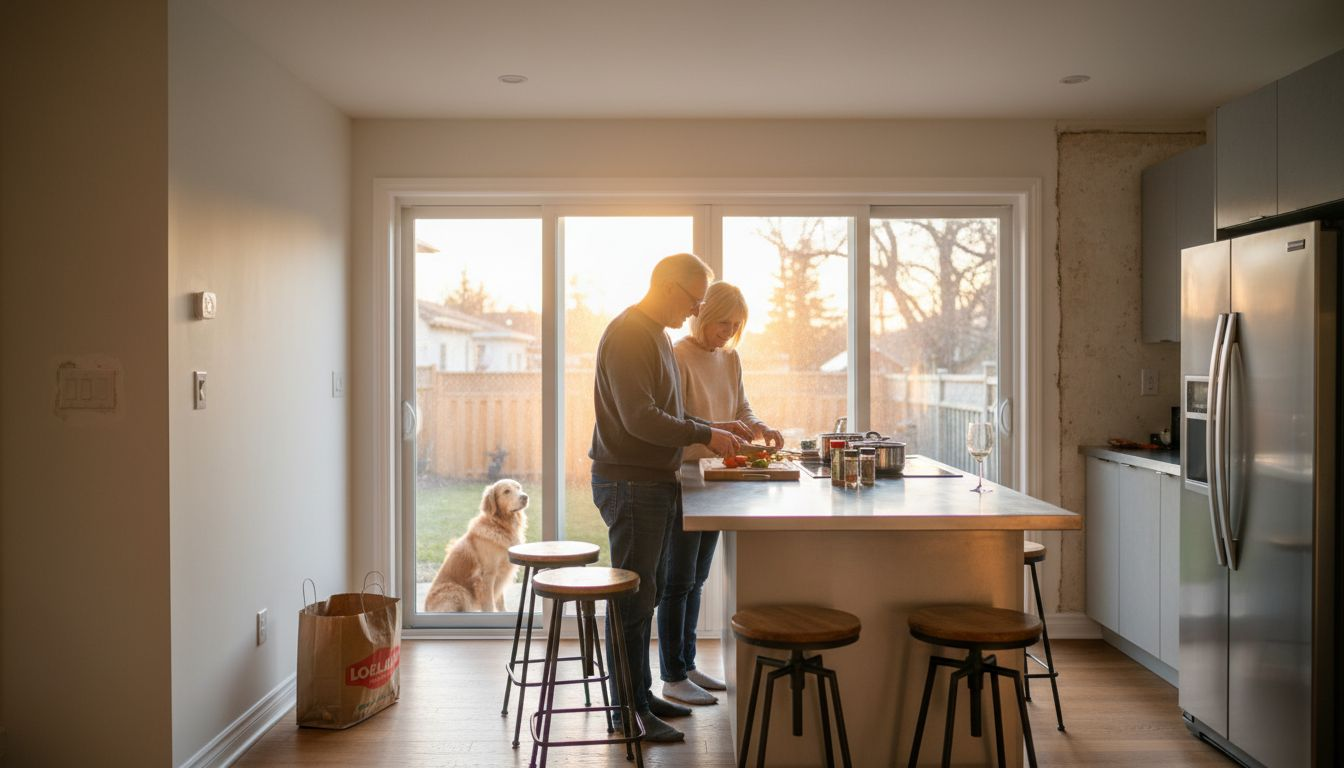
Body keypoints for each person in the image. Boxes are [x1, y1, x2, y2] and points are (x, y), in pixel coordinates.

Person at [589, 253, 751, 744]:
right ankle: (627, 711)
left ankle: (640, 696)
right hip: (630, 482)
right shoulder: (629, 335)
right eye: (694, 299)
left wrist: (717, 429)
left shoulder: (654, 334)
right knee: (634, 601)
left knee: (649, 593)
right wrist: (706, 431)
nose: (695, 310)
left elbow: (670, 412)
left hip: (649, 481)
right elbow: (641, 418)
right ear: (668, 287)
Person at [658, 282, 782, 706]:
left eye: (736, 324)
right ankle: (672, 676)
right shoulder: (676, 355)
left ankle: (687, 664)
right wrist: (714, 432)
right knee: (677, 581)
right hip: (685, 478)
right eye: (722, 323)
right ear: (702, 316)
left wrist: (761, 427)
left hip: (718, 478)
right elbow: (675, 418)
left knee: (697, 578)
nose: (728, 331)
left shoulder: (730, 358)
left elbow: (740, 409)